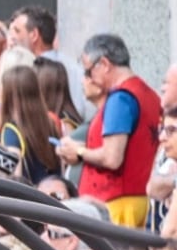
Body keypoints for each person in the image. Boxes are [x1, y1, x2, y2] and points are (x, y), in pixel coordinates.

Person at [57, 32, 164, 227]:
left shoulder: (120, 99)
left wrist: (78, 152)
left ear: (104, 65)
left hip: (115, 205)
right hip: (135, 200)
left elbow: (112, 158)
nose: (87, 78)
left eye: (88, 71)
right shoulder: (149, 94)